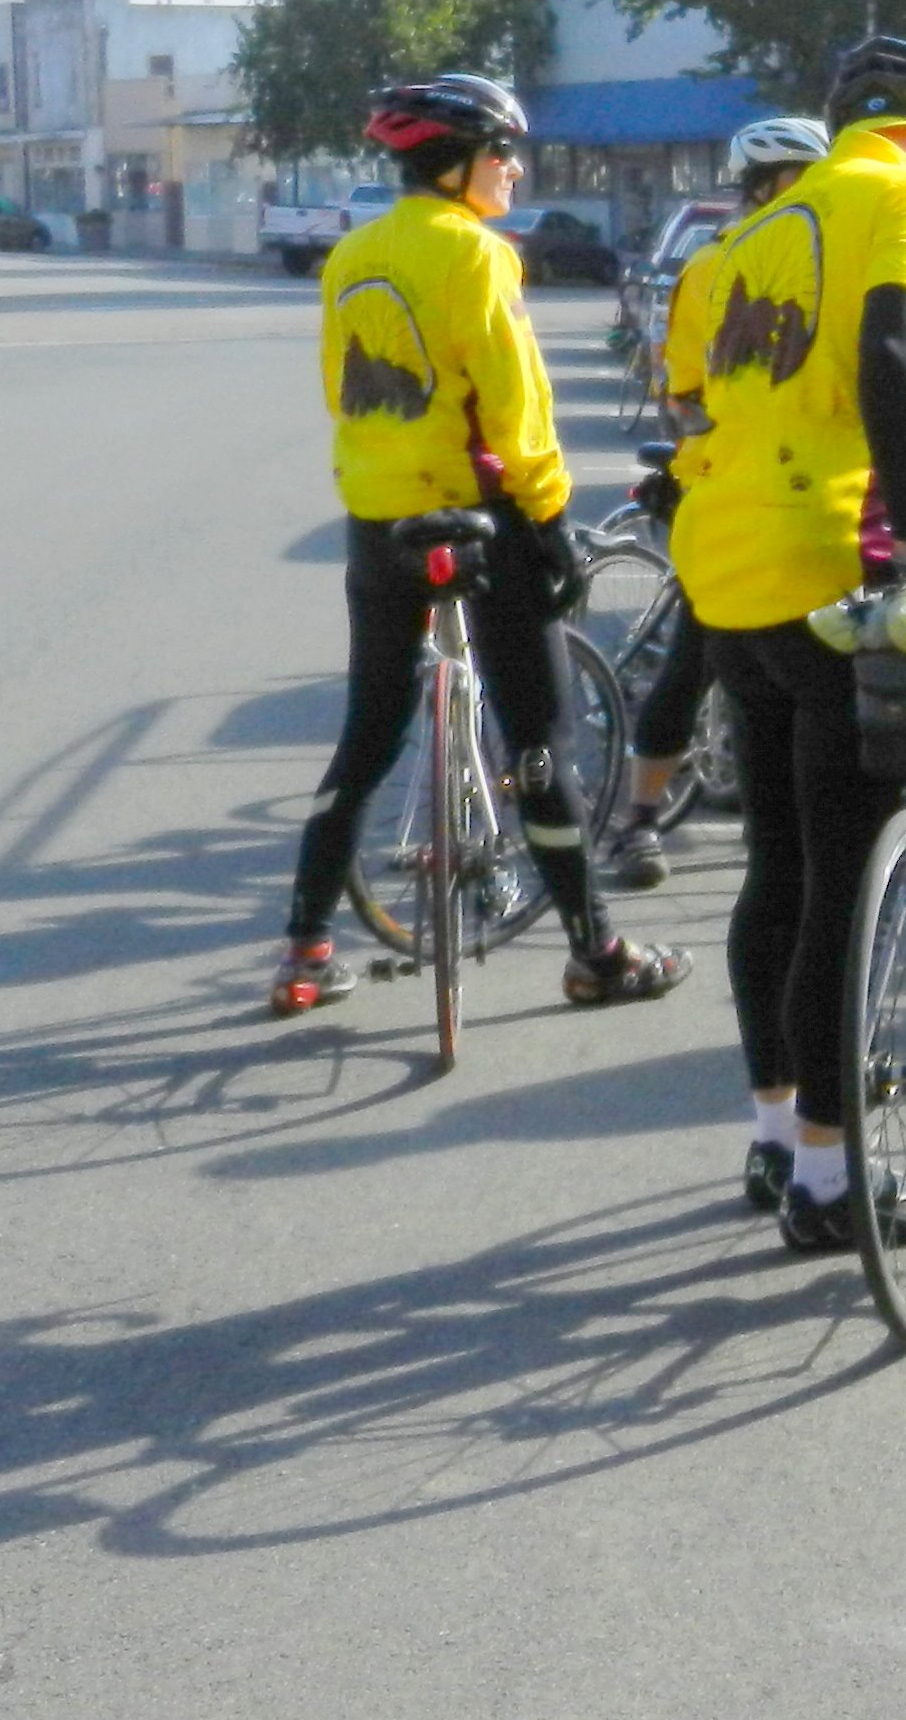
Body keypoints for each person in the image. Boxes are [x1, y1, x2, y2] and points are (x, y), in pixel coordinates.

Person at [267, 75, 689, 1017]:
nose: (514, 169)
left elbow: (344, 391)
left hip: (380, 521)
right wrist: (551, 521)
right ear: (459, 164)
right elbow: (515, 407)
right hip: (483, 519)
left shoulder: (352, 255)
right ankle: (596, 954)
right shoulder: (477, 254)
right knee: (541, 739)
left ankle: (304, 952)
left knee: (367, 737)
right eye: (504, 153)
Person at [671, 37, 906, 1239]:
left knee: (779, 869)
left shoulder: (760, 226)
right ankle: (827, 1180)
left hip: (730, 570)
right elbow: (895, 352)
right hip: (835, 564)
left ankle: (773, 1136)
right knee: (848, 889)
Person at [599, 113, 828, 890]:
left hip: (781, 492)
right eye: (807, 178)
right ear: (773, 184)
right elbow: (683, 395)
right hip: (731, 491)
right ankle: (639, 819)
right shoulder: (718, 266)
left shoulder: (806, 256)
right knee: (695, 657)